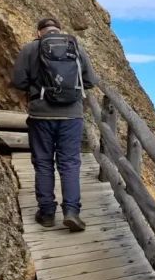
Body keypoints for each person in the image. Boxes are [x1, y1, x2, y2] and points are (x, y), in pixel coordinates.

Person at [11, 17, 96, 231]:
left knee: (43, 163)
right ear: (59, 31)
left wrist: (37, 89)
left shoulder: (30, 48)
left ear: (39, 32)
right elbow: (90, 82)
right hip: (71, 116)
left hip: (41, 116)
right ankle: (72, 211)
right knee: (69, 164)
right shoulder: (75, 48)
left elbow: (18, 81)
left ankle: (47, 213)